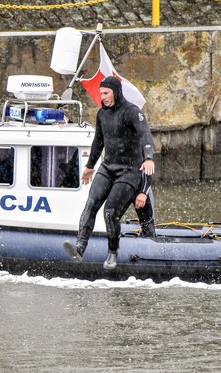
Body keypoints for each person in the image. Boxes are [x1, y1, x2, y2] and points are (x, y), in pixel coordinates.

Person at [63, 76, 156, 270]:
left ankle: (112, 253)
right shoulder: (102, 114)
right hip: (108, 167)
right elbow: (98, 141)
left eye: (106, 93)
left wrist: (148, 158)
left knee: (110, 212)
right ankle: (80, 247)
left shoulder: (132, 112)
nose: (102, 97)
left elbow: (145, 134)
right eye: (101, 93)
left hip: (129, 171)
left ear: (116, 92)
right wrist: (89, 166)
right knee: (91, 203)